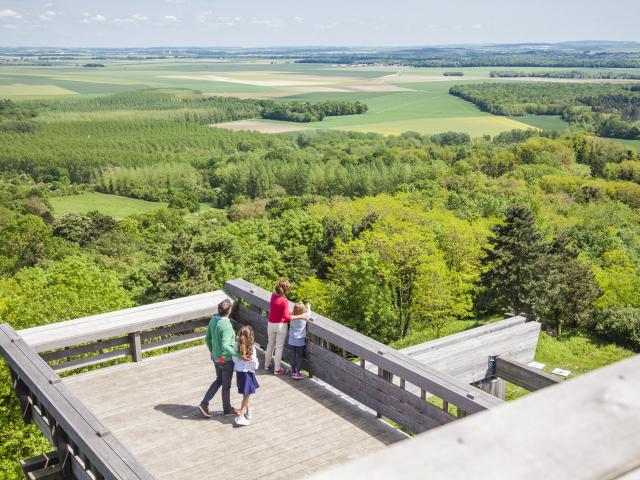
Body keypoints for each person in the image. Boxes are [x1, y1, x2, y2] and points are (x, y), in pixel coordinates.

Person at [198, 299, 238, 418]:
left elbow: (207, 339)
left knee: (219, 380)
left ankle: (204, 403)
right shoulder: (226, 326)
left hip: (217, 358)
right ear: (229, 310)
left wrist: (212, 351)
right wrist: (239, 355)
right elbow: (226, 346)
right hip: (225, 360)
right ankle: (227, 409)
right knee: (226, 385)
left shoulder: (213, 320)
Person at [264, 278, 308, 375]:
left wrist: (287, 313)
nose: (289, 291)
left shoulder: (273, 296)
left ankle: (267, 365)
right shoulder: (284, 300)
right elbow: (287, 317)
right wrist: (301, 316)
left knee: (270, 344)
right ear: (285, 289)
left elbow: (276, 309)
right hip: (280, 326)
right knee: (279, 347)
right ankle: (277, 369)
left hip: (270, 324)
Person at [232, 325, 259, 426]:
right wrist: (252, 360)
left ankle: (248, 411)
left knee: (246, 394)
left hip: (240, 374)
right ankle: (241, 416)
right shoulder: (252, 349)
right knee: (246, 396)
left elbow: (234, 360)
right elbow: (255, 366)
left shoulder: (235, 346)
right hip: (248, 374)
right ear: (251, 336)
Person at [289, 302, 310, 379]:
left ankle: (293, 372)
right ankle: (297, 372)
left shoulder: (292, 317)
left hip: (291, 340)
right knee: (299, 356)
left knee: (293, 356)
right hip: (300, 341)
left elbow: (290, 316)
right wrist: (309, 307)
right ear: (303, 310)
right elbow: (309, 313)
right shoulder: (304, 319)